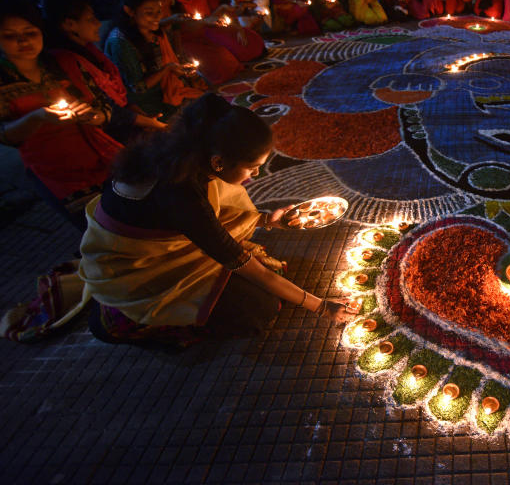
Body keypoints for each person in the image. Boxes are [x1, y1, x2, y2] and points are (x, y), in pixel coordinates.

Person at [79, 94, 344, 346]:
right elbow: (248, 266)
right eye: (252, 167)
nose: (256, 173)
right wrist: (321, 307)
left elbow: (216, 214)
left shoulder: (185, 153)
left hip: (170, 234)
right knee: (259, 310)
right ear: (218, 162)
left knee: (268, 278)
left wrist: (266, 220)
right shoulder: (182, 195)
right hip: (139, 272)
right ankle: (131, 320)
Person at [0, 0, 123, 229]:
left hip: (100, 155)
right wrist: (37, 117)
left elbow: (105, 104)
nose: (23, 40)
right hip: (55, 171)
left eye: (30, 32)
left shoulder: (64, 62)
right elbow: (5, 135)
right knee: (98, 231)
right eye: (9, 36)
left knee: (134, 219)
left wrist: (97, 116)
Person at [44, 0, 166, 143]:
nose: (98, 23)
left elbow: (116, 96)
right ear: (70, 25)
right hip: (104, 134)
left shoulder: (89, 50)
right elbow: (102, 107)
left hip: (126, 115)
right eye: (91, 19)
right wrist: (151, 123)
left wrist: (136, 112)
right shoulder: (67, 61)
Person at [105, 0, 206, 117]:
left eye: (159, 11)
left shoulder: (151, 30)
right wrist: (168, 69)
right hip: (141, 102)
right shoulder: (120, 43)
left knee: (208, 103)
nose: (157, 17)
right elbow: (138, 88)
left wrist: (177, 69)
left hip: (163, 91)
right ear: (129, 11)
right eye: (149, 13)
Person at [171, 0, 264, 71]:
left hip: (219, 26)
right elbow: (207, 18)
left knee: (253, 39)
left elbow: (228, 14)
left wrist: (238, 27)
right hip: (209, 30)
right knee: (232, 54)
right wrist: (222, 11)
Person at [168, 0, 243, 86]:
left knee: (230, 62)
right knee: (220, 67)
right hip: (187, 41)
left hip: (204, 36)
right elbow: (178, 28)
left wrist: (220, 17)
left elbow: (208, 17)